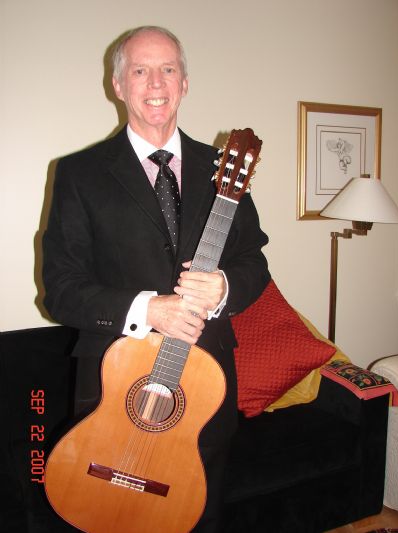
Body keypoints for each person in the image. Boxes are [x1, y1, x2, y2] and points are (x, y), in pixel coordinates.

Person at [42, 25, 270, 532]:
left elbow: (254, 261)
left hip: (205, 388)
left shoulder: (223, 169)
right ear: (118, 85)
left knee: (198, 516)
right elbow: (60, 289)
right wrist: (148, 309)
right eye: (140, 71)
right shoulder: (79, 173)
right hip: (114, 386)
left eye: (168, 69)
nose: (156, 83)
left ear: (184, 82)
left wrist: (224, 287)